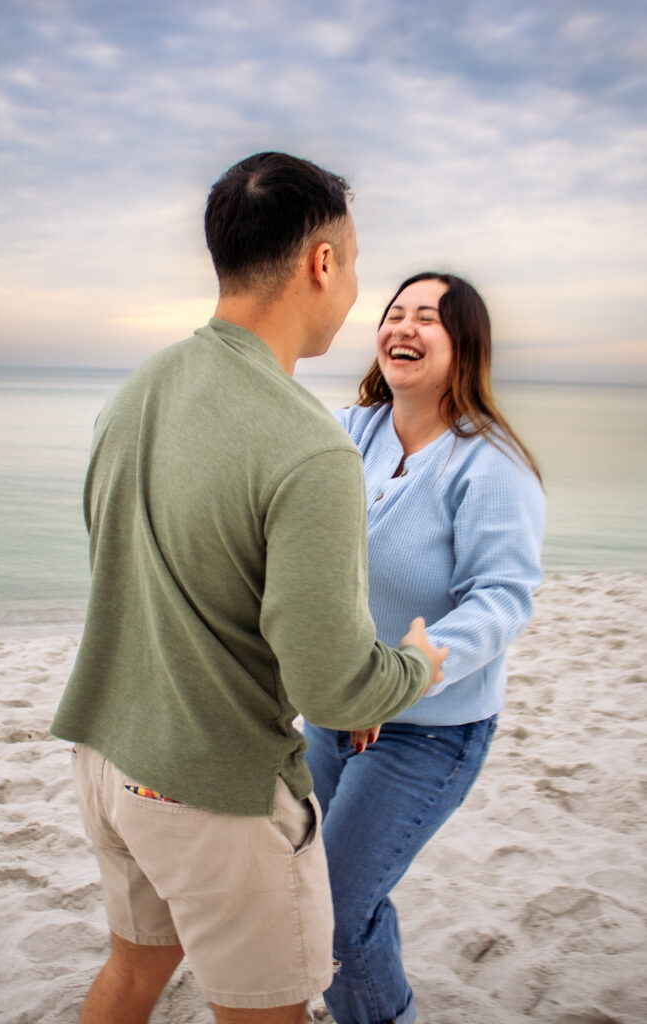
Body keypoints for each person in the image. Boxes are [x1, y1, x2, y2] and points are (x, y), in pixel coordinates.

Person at [50, 156, 447, 1024]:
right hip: (213, 791)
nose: (355, 293)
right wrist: (411, 665)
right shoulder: (310, 447)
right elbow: (331, 686)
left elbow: (142, 573)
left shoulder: (136, 391)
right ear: (320, 263)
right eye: (355, 262)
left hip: (108, 759)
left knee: (131, 973)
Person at [303, 272, 545, 1024]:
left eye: (428, 319)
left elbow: (502, 598)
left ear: (464, 344)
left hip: (429, 730)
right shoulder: (351, 432)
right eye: (393, 314)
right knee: (320, 897)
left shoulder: (490, 465)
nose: (404, 328)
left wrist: (405, 678)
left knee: (337, 916)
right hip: (337, 710)